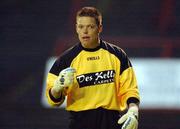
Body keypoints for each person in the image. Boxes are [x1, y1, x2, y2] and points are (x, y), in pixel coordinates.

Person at [46, 6, 140, 129]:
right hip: (80, 123)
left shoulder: (117, 55)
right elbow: (53, 100)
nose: (85, 31)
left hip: (111, 123)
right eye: (81, 27)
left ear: (100, 28)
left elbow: (130, 90)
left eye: (90, 27)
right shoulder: (65, 60)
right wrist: (57, 88)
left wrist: (133, 111)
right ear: (76, 29)